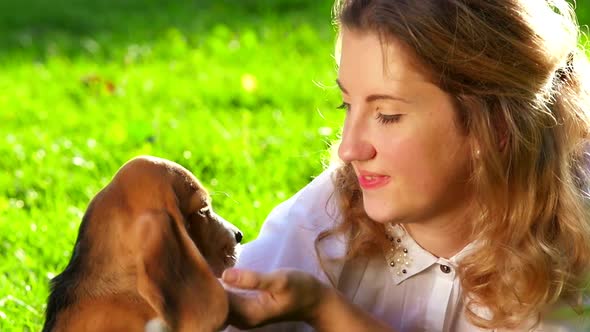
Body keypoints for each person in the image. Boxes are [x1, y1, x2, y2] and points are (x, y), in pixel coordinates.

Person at [221, 0, 590, 331]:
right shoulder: (331, 214)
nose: (349, 149)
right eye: (346, 105)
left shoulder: (571, 249)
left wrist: (325, 311)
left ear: (493, 128)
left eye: (388, 115)